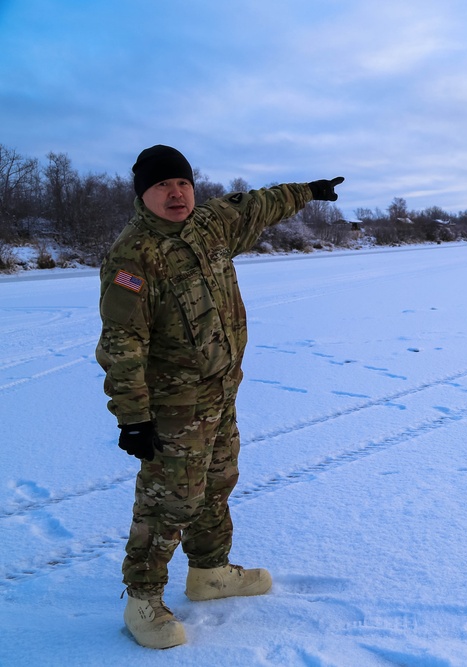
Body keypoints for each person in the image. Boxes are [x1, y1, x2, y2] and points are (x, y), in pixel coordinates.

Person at [96, 145, 343, 649]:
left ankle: (209, 573)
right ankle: (142, 597)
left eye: (183, 183)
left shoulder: (211, 226)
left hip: (222, 389)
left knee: (219, 479)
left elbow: (260, 204)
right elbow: (122, 343)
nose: (176, 193)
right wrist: (134, 417)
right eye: (163, 185)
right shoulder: (132, 256)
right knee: (170, 500)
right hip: (173, 405)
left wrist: (311, 193)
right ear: (143, 194)